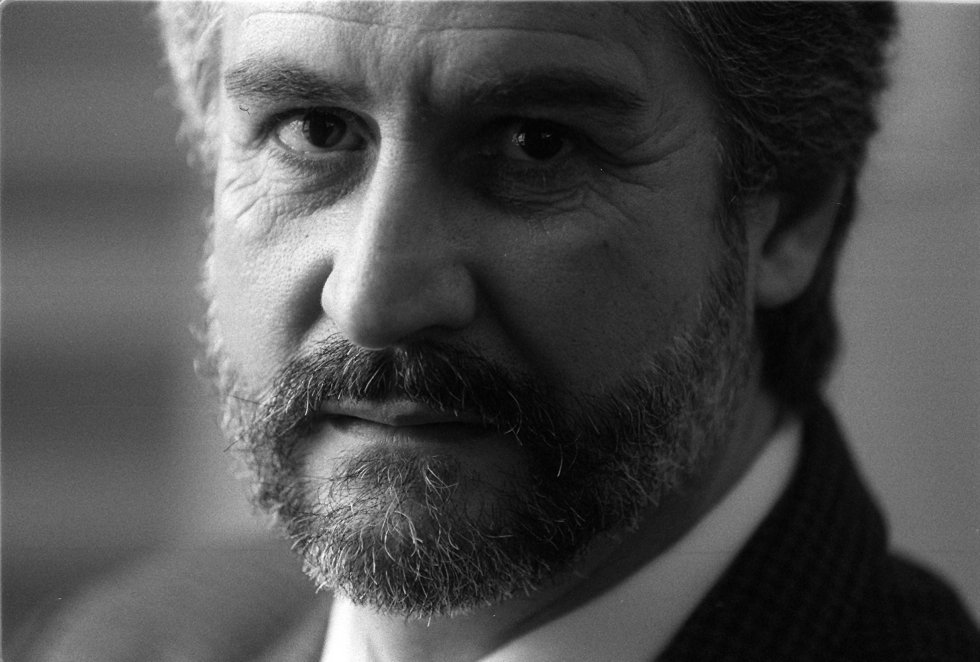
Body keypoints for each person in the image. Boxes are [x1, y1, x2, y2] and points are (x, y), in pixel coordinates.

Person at [14, 2, 980, 661]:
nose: (376, 300)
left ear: (791, 217)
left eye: (535, 144)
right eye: (314, 129)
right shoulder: (119, 639)